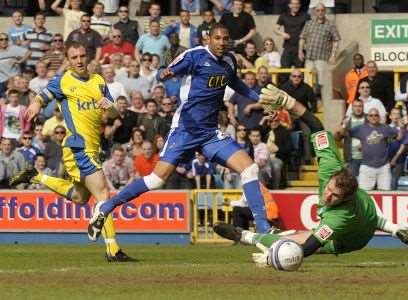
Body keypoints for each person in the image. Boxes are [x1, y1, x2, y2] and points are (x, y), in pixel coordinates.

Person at [88, 23, 272, 241]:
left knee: (249, 169)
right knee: (157, 180)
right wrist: (166, 73)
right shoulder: (194, 56)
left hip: (210, 133)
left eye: (225, 39)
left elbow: (236, 84)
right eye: (217, 38)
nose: (222, 43)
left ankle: (263, 228)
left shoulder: (229, 61)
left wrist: (260, 99)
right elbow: (164, 72)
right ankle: (105, 207)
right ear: (208, 39)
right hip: (185, 130)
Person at [214, 84, 408, 265]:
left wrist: (275, 258)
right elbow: (316, 126)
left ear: (344, 199)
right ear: (332, 178)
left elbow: (308, 248)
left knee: (290, 242)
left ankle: (244, 235)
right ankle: (398, 230)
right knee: (290, 238)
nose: (327, 196)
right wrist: (289, 102)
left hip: (350, 240)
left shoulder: (337, 218)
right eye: (330, 189)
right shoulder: (330, 164)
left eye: (334, 197)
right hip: (368, 216)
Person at [9, 42, 135, 262]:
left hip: (93, 147)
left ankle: (36, 176)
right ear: (68, 59)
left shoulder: (98, 81)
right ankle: (113, 250)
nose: (79, 60)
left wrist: (109, 106)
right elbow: (43, 95)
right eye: (74, 57)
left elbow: (114, 113)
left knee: (79, 197)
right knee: (103, 194)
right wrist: (36, 105)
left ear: (87, 57)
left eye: (82, 56)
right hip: (78, 146)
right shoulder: (64, 80)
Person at [338, 107, 405, 191]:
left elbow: (399, 137)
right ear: (368, 117)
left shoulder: (385, 128)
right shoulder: (361, 128)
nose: (373, 117)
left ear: (379, 117)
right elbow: (344, 133)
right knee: (364, 193)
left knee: (385, 193)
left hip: (383, 167)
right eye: (371, 115)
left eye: (376, 115)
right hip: (367, 167)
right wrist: (344, 125)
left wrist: (401, 128)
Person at [299, 2, 340, 97]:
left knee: (322, 82)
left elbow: (336, 40)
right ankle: (310, 102)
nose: (320, 12)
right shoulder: (309, 23)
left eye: (322, 10)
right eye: (318, 10)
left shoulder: (330, 25)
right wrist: (300, 51)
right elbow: (302, 38)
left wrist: (333, 55)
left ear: (325, 11)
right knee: (308, 82)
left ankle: (322, 102)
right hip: (309, 57)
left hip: (322, 58)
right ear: (314, 12)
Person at [275, 0, 310, 70]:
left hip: (300, 49)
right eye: (293, 4)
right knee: (284, 71)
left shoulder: (306, 16)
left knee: (300, 73)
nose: (295, 6)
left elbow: (310, 30)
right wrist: (282, 34)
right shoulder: (283, 16)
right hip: (288, 48)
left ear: (300, 5)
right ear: (289, 5)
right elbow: (275, 29)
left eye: (297, 4)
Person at [337, 99, 365, 177]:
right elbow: (338, 138)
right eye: (356, 106)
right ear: (352, 108)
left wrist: (365, 144)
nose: (358, 108)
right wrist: (343, 126)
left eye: (360, 106)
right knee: (352, 184)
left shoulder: (368, 119)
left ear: (363, 107)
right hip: (351, 158)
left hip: (367, 159)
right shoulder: (347, 119)